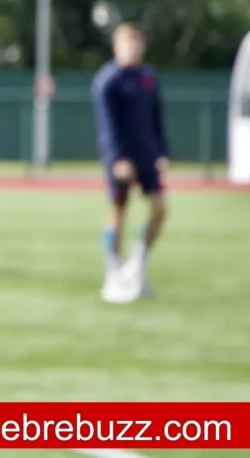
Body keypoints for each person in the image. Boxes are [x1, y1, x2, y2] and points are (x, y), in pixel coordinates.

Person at [91, 22, 169, 304]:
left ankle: (136, 266)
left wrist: (162, 152)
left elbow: (156, 117)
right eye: (126, 42)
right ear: (116, 46)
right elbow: (107, 126)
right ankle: (113, 274)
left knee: (160, 210)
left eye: (136, 42)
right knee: (118, 212)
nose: (132, 48)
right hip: (121, 159)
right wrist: (117, 159)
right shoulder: (107, 80)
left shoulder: (148, 76)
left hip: (147, 154)